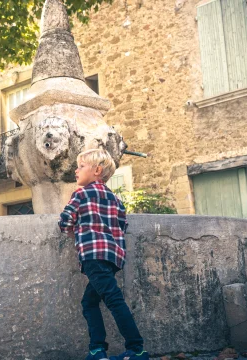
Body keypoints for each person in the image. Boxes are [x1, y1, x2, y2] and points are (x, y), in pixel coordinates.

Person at [58, 149, 148, 360]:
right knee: (89, 302)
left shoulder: (81, 194)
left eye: (81, 166)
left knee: (114, 300)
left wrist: (72, 229)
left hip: (92, 256)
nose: (76, 170)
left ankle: (137, 349)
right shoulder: (115, 198)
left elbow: (65, 221)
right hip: (112, 258)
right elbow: (122, 225)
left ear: (97, 170)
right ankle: (98, 349)